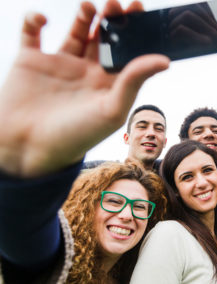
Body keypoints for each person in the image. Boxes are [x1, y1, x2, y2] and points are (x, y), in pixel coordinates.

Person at [0, 0, 169, 282]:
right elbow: (24, 237)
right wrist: (25, 173)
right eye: (113, 201)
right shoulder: (57, 264)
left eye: (140, 207)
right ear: (87, 206)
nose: (127, 215)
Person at [130, 140, 217, 283]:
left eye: (207, 170)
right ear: (175, 190)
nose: (202, 183)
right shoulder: (169, 233)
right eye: (187, 177)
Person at [123, 104, 167, 172]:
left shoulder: (174, 179)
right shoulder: (106, 179)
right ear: (126, 138)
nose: (151, 133)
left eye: (158, 129)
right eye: (142, 126)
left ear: (165, 142)